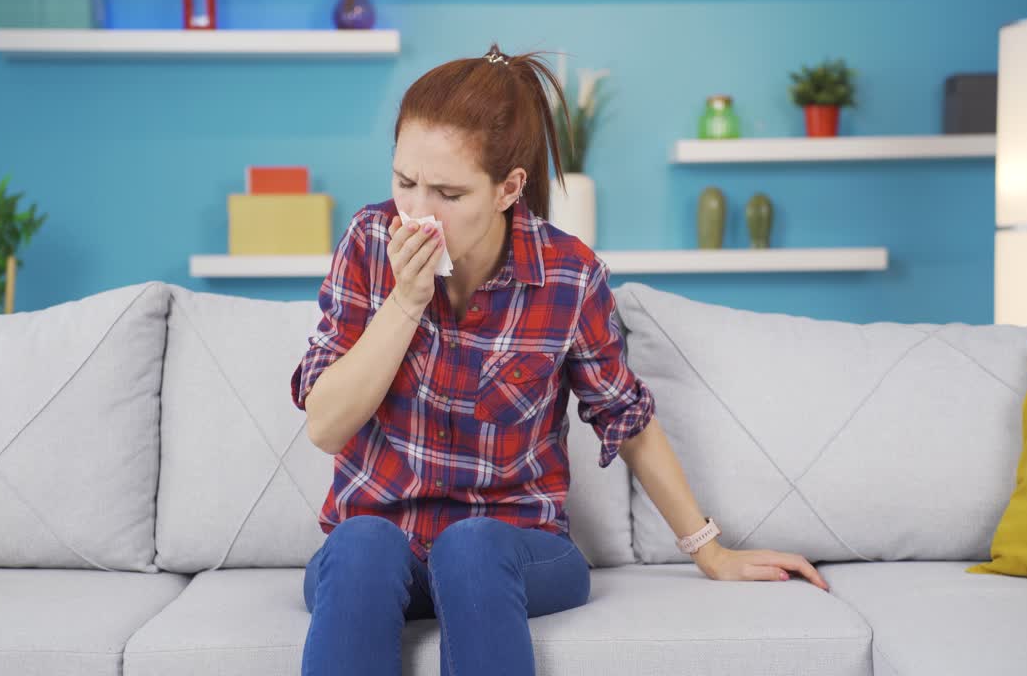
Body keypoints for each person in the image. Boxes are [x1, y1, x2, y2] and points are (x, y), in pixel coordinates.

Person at [290, 43, 830, 676]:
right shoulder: (366, 243)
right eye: (405, 182)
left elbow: (625, 420)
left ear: (508, 188)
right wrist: (405, 303)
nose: (418, 213)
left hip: (518, 548)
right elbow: (326, 427)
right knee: (362, 544)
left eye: (448, 193)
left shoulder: (568, 276)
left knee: (471, 545)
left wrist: (710, 550)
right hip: (380, 556)